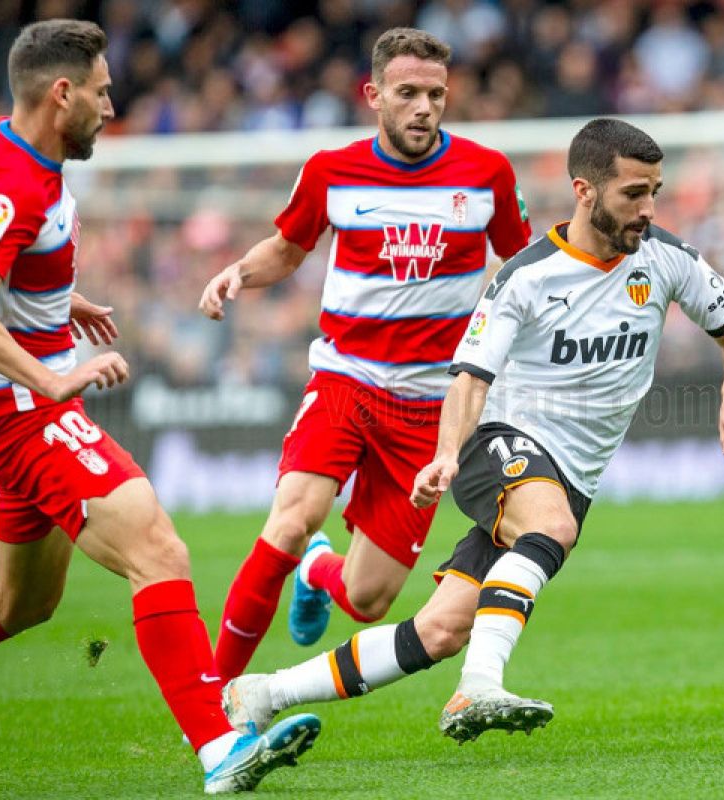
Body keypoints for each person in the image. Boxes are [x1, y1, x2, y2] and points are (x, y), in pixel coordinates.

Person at [220, 118, 724, 743]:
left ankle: (261, 693)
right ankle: (477, 690)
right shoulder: (525, 278)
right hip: (500, 440)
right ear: (584, 191)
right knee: (549, 527)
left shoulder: (668, 260)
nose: (648, 209)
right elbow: (471, 380)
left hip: (572, 475)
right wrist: (447, 454)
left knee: (440, 629)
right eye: (633, 194)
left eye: (655, 193)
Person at [0, 20, 318, 793]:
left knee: (21, 603)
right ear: (62, 94)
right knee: (159, 550)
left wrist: (54, 299)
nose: (110, 104)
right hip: (25, 412)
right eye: (100, 90)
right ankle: (219, 747)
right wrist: (49, 372)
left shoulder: (0, 143)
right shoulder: (12, 180)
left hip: (12, 406)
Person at [197, 27, 532, 680]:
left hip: (432, 405)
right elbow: (288, 249)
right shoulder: (332, 170)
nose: (424, 107)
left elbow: (521, 266)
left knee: (368, 599)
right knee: (291, 519)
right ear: (374, 95)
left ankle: (318, 572)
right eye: (408, 93)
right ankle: (211, 701)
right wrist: (238, 271)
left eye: (435, 94)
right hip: (346, 378)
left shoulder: (486, 173)